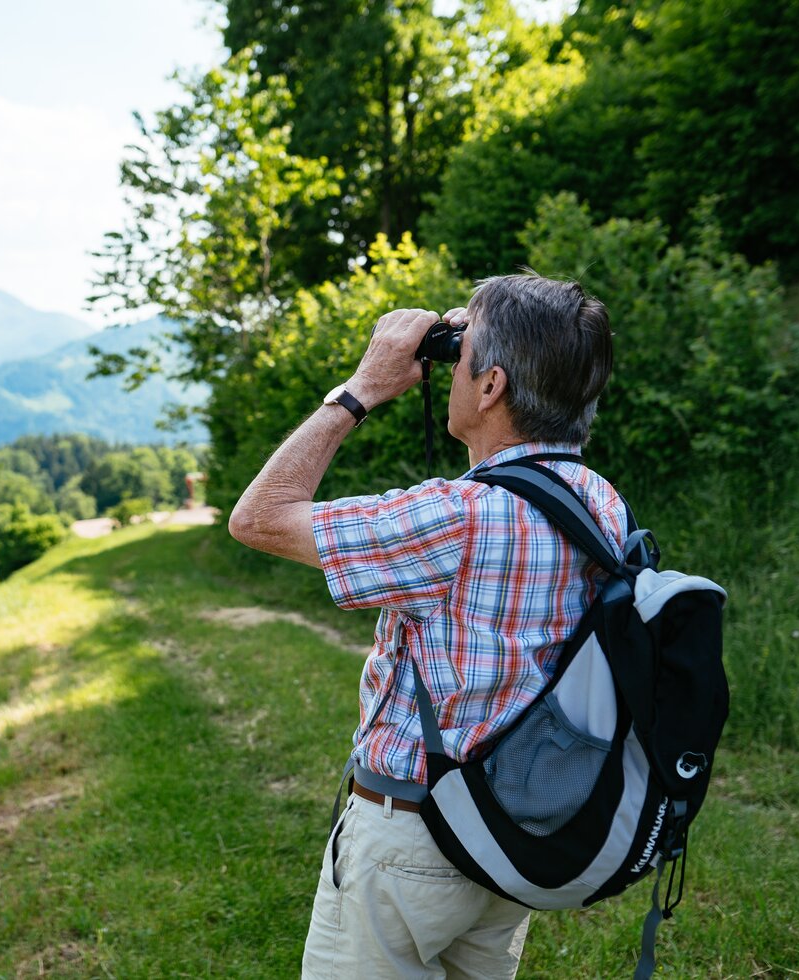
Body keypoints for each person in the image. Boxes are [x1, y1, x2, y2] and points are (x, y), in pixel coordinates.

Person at [228, 272, 625, 979]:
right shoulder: (601, 504)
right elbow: (508, 476)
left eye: (460, 352)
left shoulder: (453, 520)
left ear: (491, 385)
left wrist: (362, 388)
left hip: (414, 837)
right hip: (514, 829)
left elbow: (257, 517)